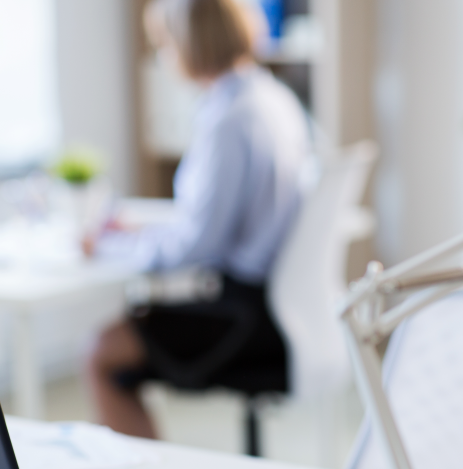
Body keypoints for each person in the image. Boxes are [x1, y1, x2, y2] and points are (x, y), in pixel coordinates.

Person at [85, 0, 311, 439]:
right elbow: (214, 220)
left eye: (165, 44)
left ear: (188, 45)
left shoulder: (228, 120)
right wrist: (146, 231)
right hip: (281, 306)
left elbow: (195, 246)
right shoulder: (272, 97)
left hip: (244, 317)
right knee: (129, 332)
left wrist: (109, 245)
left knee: (100, 350)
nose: (163, 56)